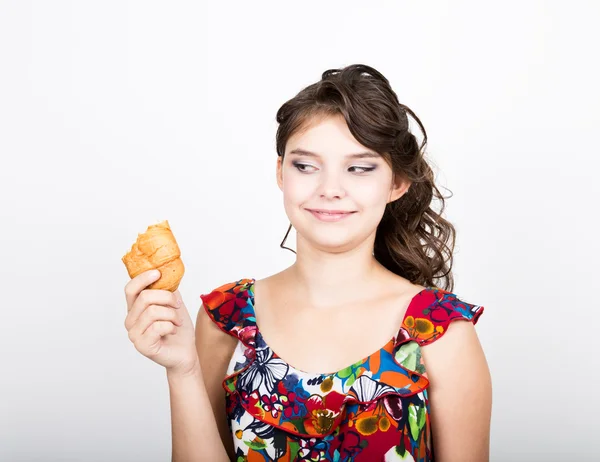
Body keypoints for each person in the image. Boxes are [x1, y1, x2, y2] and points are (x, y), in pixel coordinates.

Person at [124, 64, 492, 462]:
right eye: (305, 166)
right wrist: (183, 370)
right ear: (280, 172)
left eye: (359, 168)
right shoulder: (226, 318)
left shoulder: (439, 334)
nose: (330, 189)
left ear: (397, 183)